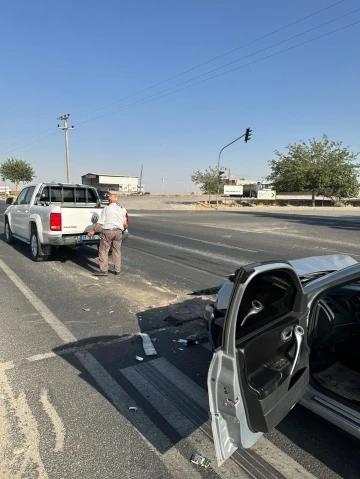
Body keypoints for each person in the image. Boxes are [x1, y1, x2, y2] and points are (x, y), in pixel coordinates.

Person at [87, 193, 128, 276]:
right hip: (118, 232)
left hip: (108, 231)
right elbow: (125, 224)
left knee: (103, 250)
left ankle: (104, 270)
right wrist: (123, 231)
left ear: (109, 200)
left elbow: (100, 222)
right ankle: (117, 269)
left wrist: (93, 230)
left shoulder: (106, 209)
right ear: (116, 200)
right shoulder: (122, 209)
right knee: (117, 251)